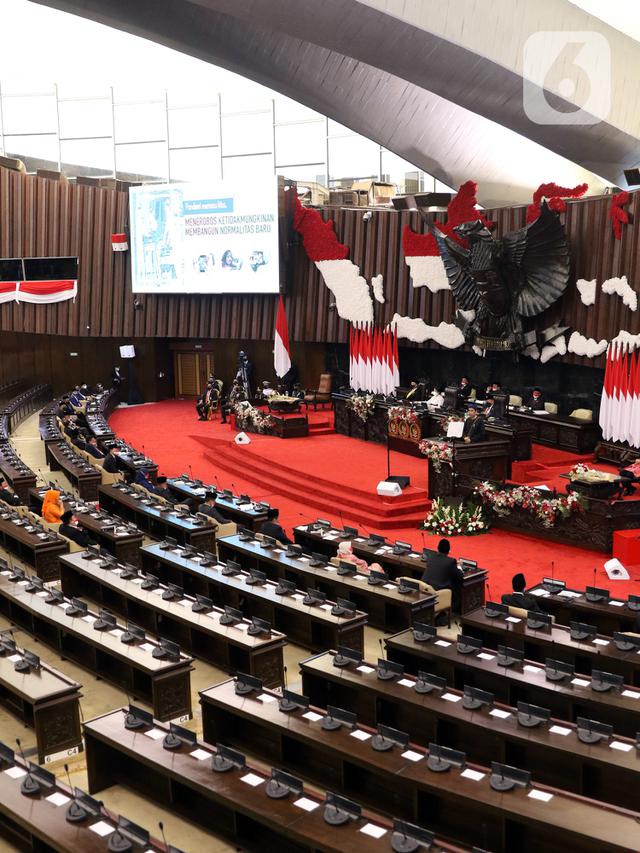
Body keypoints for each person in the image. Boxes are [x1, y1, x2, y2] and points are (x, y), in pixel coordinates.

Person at [421, 538, 463, 612]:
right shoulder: (451, 561)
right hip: (437, 591)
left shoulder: (431, 557)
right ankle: (448, 614)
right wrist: (459, 566)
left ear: (437, 548)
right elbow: (459, 576)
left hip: (424, 588)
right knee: (458, 588)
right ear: (449, 551)